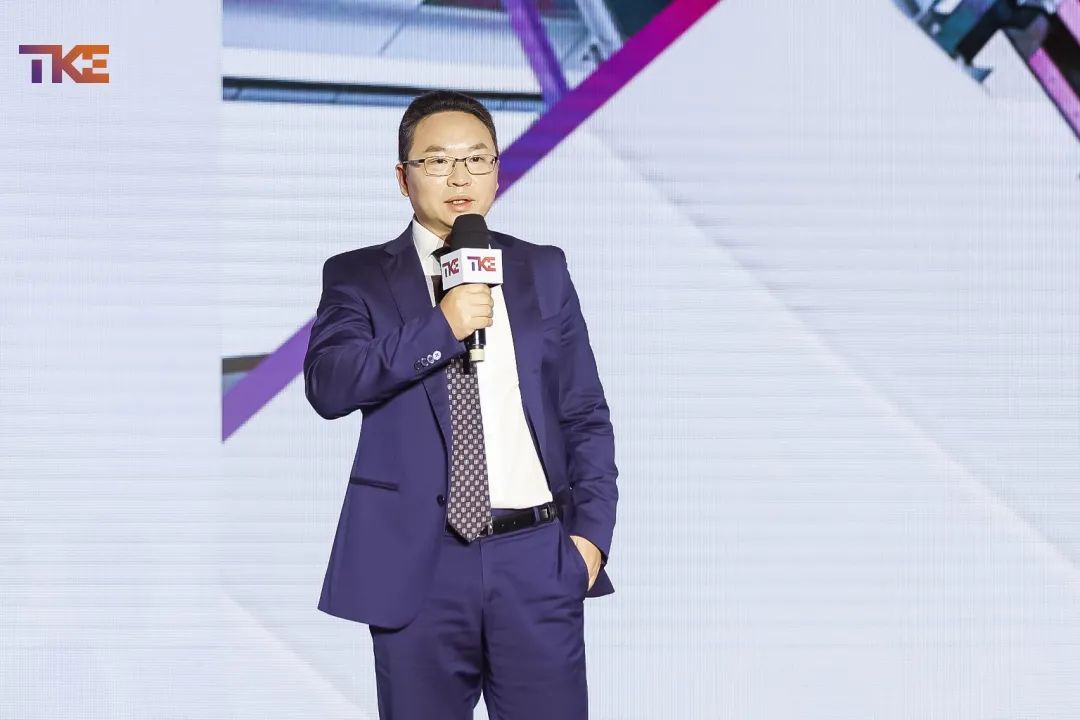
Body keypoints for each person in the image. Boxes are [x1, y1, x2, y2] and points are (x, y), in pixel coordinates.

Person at [303, 89, 618, 719]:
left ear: (496, 170)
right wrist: (441, 326)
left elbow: (583, 410)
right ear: (403, 177)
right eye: (438, 161)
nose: (459, 177)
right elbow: (330, 386)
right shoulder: (358, 275)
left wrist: (590, 538)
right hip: (418, 565)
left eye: (477, 159)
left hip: (537, 556)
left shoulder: (542, 269)